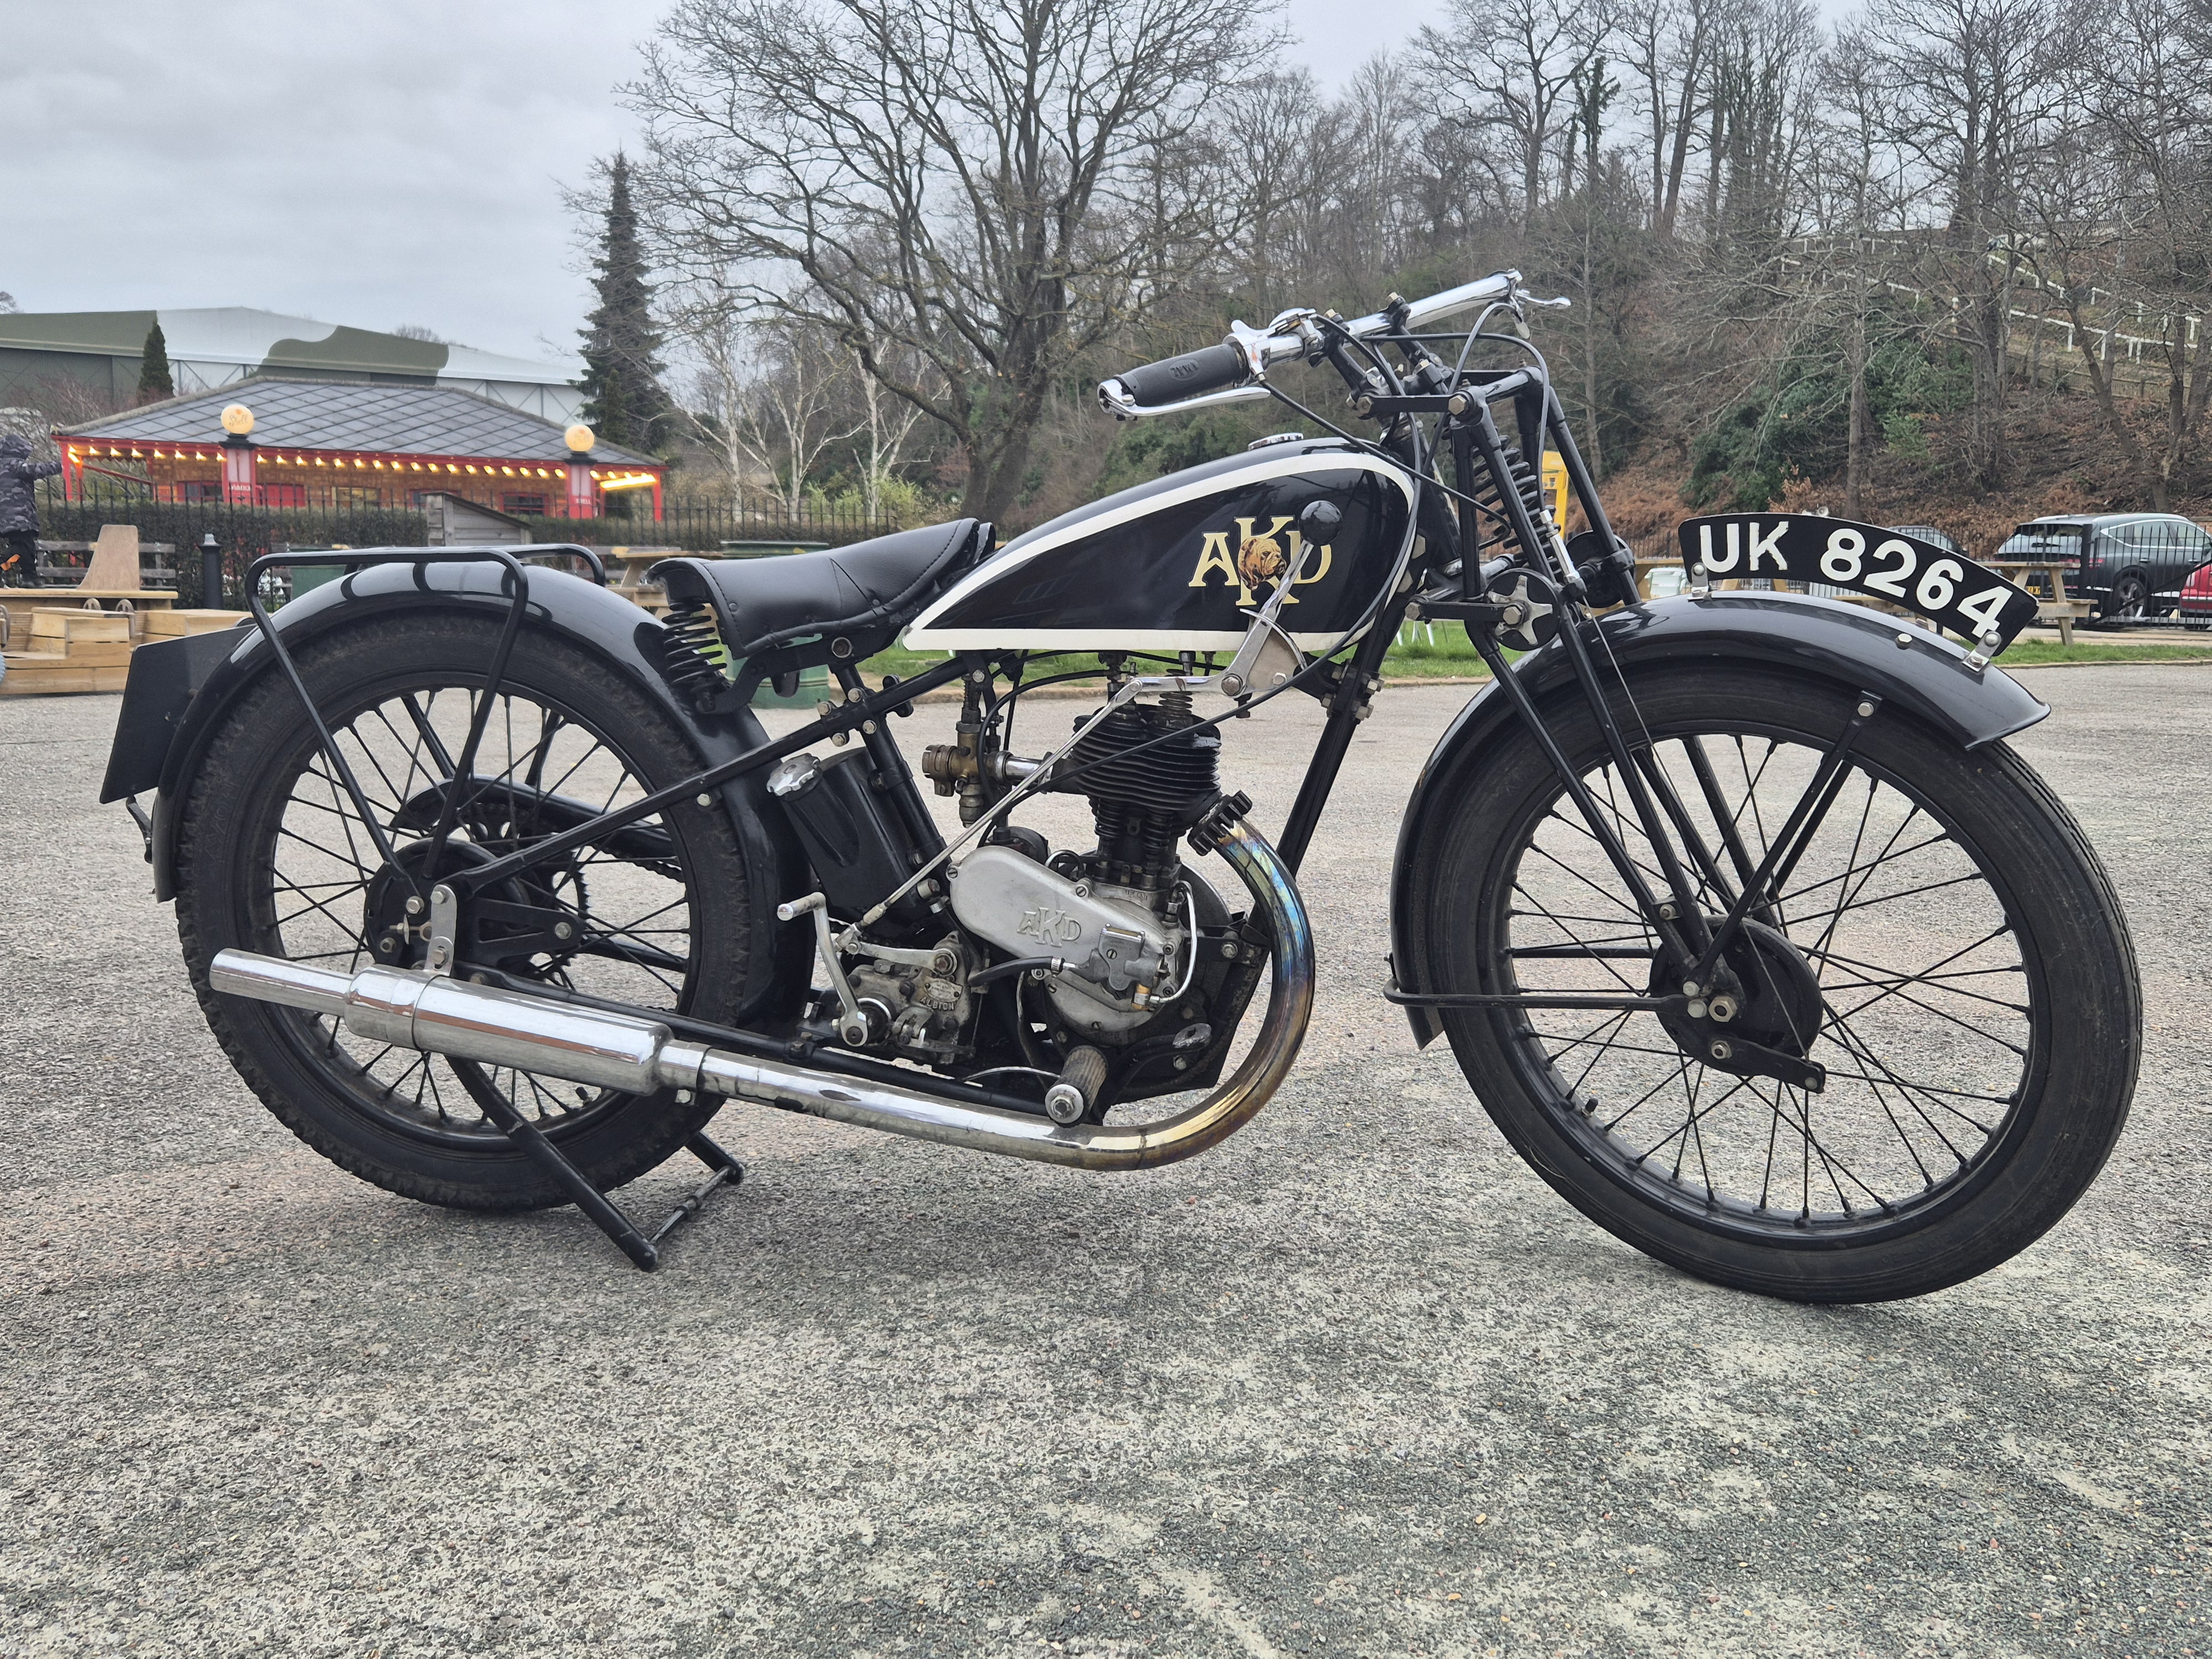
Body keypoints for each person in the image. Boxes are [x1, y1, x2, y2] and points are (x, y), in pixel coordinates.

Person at [2, 432, 62, 587]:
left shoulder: (4, 465)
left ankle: (29, 576)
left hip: (10, 517)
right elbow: (34, 470)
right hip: (18, 516)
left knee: (27, 547)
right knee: (22, 547)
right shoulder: (13, 464)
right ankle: (25, 575)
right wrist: (59, 466)